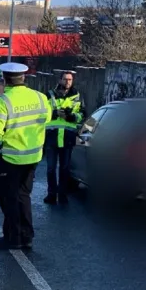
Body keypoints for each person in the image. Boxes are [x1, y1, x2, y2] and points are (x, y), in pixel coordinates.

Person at [0, 62, 53, 251]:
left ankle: (13, 238)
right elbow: (46, 120)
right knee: (24, 196)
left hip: (10, 158)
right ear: (23, 78)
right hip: (33, 157)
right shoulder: (40, 98)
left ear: (5, 79)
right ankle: (27, 236)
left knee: (8, 198)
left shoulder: (3, 102)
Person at [44, 71, 83, 205]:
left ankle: (62, 194)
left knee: (65, 168)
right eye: (65, 79)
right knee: (50, 168)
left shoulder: (77, 96)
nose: (68, 82)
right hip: (52, 137)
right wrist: (54, 114)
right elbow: (42, 113)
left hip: (67, 138)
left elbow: (82, 114)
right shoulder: (49, 95)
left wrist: (72, 117)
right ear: (60, 80)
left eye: (70, 79)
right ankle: (51, 194)